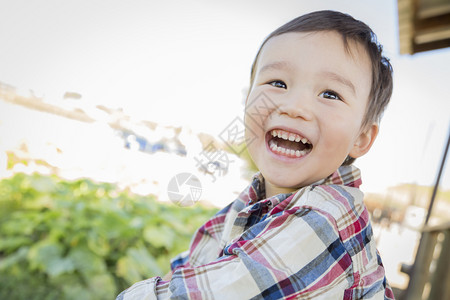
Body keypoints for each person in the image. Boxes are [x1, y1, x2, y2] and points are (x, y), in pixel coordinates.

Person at [117, 10, 395, 299]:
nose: (294, 106)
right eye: (278, 83)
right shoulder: (253, 200)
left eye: (330, 94)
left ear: (361, 138)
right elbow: (196, 262)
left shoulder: (327, 218)